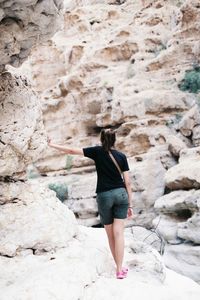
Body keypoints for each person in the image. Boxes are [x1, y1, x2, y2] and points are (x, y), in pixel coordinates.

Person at [48, 128, 133, 279]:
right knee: (119, 233)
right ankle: (120, 269)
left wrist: (52, 144)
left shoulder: (97, 152)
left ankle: (118, 268)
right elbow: (128, 182)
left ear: (101, 139)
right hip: (121, 195)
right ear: (115, 140)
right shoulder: (122, 156)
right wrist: (130, 204)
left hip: (104, 195)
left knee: (110, 234)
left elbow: (72, 151)